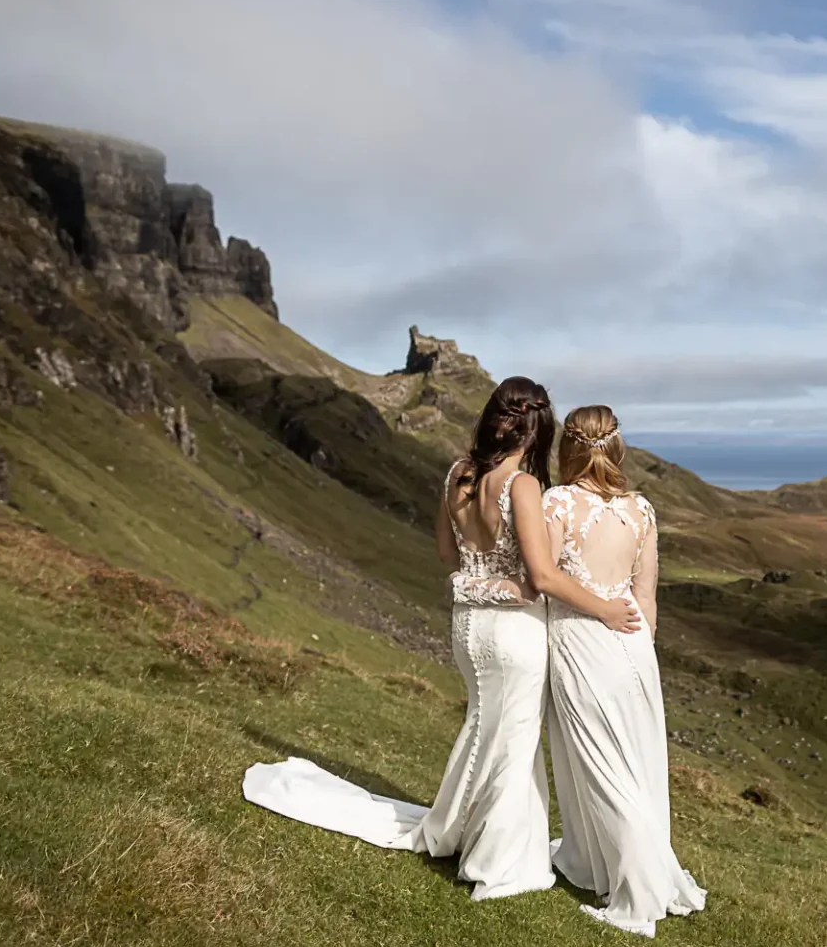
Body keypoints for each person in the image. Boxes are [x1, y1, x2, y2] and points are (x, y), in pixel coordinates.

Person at [242, 377, 639, 901]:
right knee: (513, 742)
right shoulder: (522, 486)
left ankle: (462, 829)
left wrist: (478, 584)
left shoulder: (458, 475)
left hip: (468, 629)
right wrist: (607, 609)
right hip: (514, 634)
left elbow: (450, 557)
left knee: (484, 729)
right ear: (536, 430)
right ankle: (497, 860)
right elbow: (540, 579)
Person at [536, 405, 706, 936]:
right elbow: (647, 598)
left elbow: (545, 579)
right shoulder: (643, 510)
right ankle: (599, 862)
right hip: (634, 651)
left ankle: (636, 895)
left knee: (603, 768)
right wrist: (639, 650)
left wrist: (600, 617)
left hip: (582, 644)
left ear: (569, 448)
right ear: (615, 447)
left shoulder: (557, 502)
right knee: (633, 766)